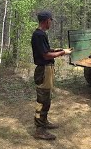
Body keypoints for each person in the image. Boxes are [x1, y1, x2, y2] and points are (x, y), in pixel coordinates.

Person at [31, 10, 72, 140]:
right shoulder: (39, 35)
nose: (51, 23)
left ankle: (44, 122)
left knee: (47, 98)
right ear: (46, 20)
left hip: (47, 69)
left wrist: (59, 50)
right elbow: (45, 55)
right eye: (50, 20)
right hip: (43, 70)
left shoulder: (42, 34)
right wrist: (62, 53)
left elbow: (47, 50)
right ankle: (39, 130)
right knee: (43, 100)